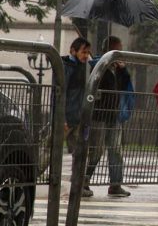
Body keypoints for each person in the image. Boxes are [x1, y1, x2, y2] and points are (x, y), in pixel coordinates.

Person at [85, 36, 133, 197]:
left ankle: (115, 184)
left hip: (113, 114)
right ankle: (84, 180)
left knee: (115, 149)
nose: (121, 52)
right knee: (96, 150)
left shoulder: (117, 69)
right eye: (118, 48)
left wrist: (123, 69)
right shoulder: (99, 65)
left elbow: (124, 84)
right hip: (99, 114)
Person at [64, 37, 92, 196]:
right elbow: (59, 93)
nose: (86, 55)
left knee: (80, 154)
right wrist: (62, 117)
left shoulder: (84, 67)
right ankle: (29, 177)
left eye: (88, 52)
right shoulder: (67, 67)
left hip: (78, 117)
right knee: (49, 150)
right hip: (67, 117)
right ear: (73, 51)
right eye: (83, 52)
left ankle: (77, 186)